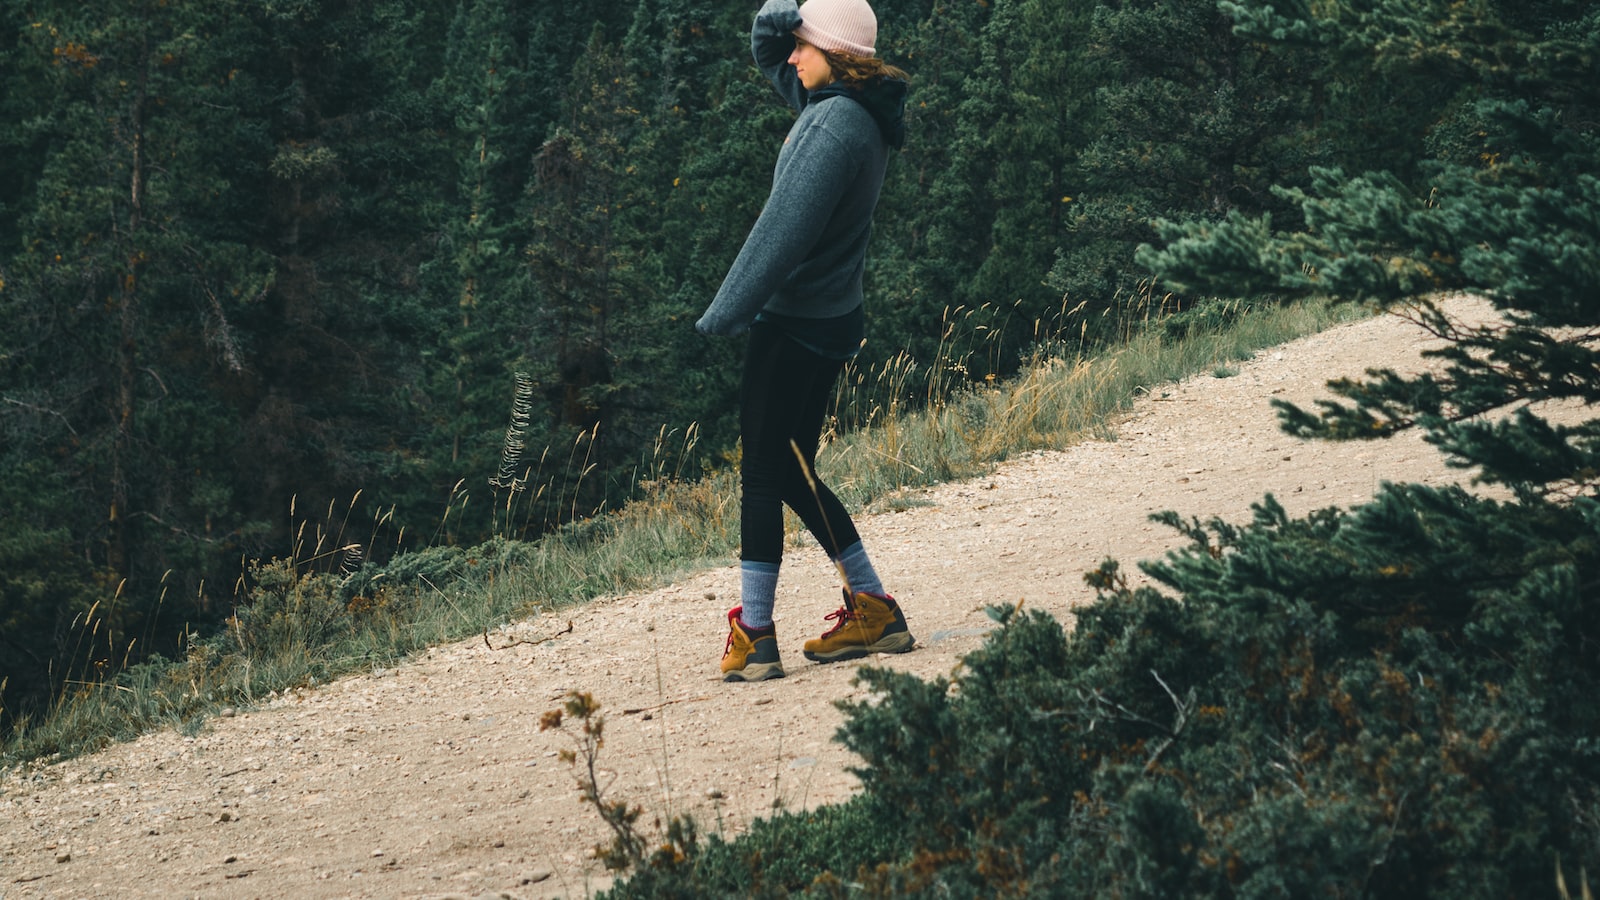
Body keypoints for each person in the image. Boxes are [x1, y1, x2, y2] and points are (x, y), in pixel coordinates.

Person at [695, 0, 913, 682]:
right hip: (829, 318)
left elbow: (780, 234)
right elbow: (767, 51)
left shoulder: (834, 129)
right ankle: (874, 606)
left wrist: (725, 313)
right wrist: (786, 17)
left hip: (794, 326)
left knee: (762, 472)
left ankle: (755, 635)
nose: (790, 58)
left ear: (835, 53)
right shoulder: (851, 105)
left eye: (802, 46)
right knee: (791, 469)